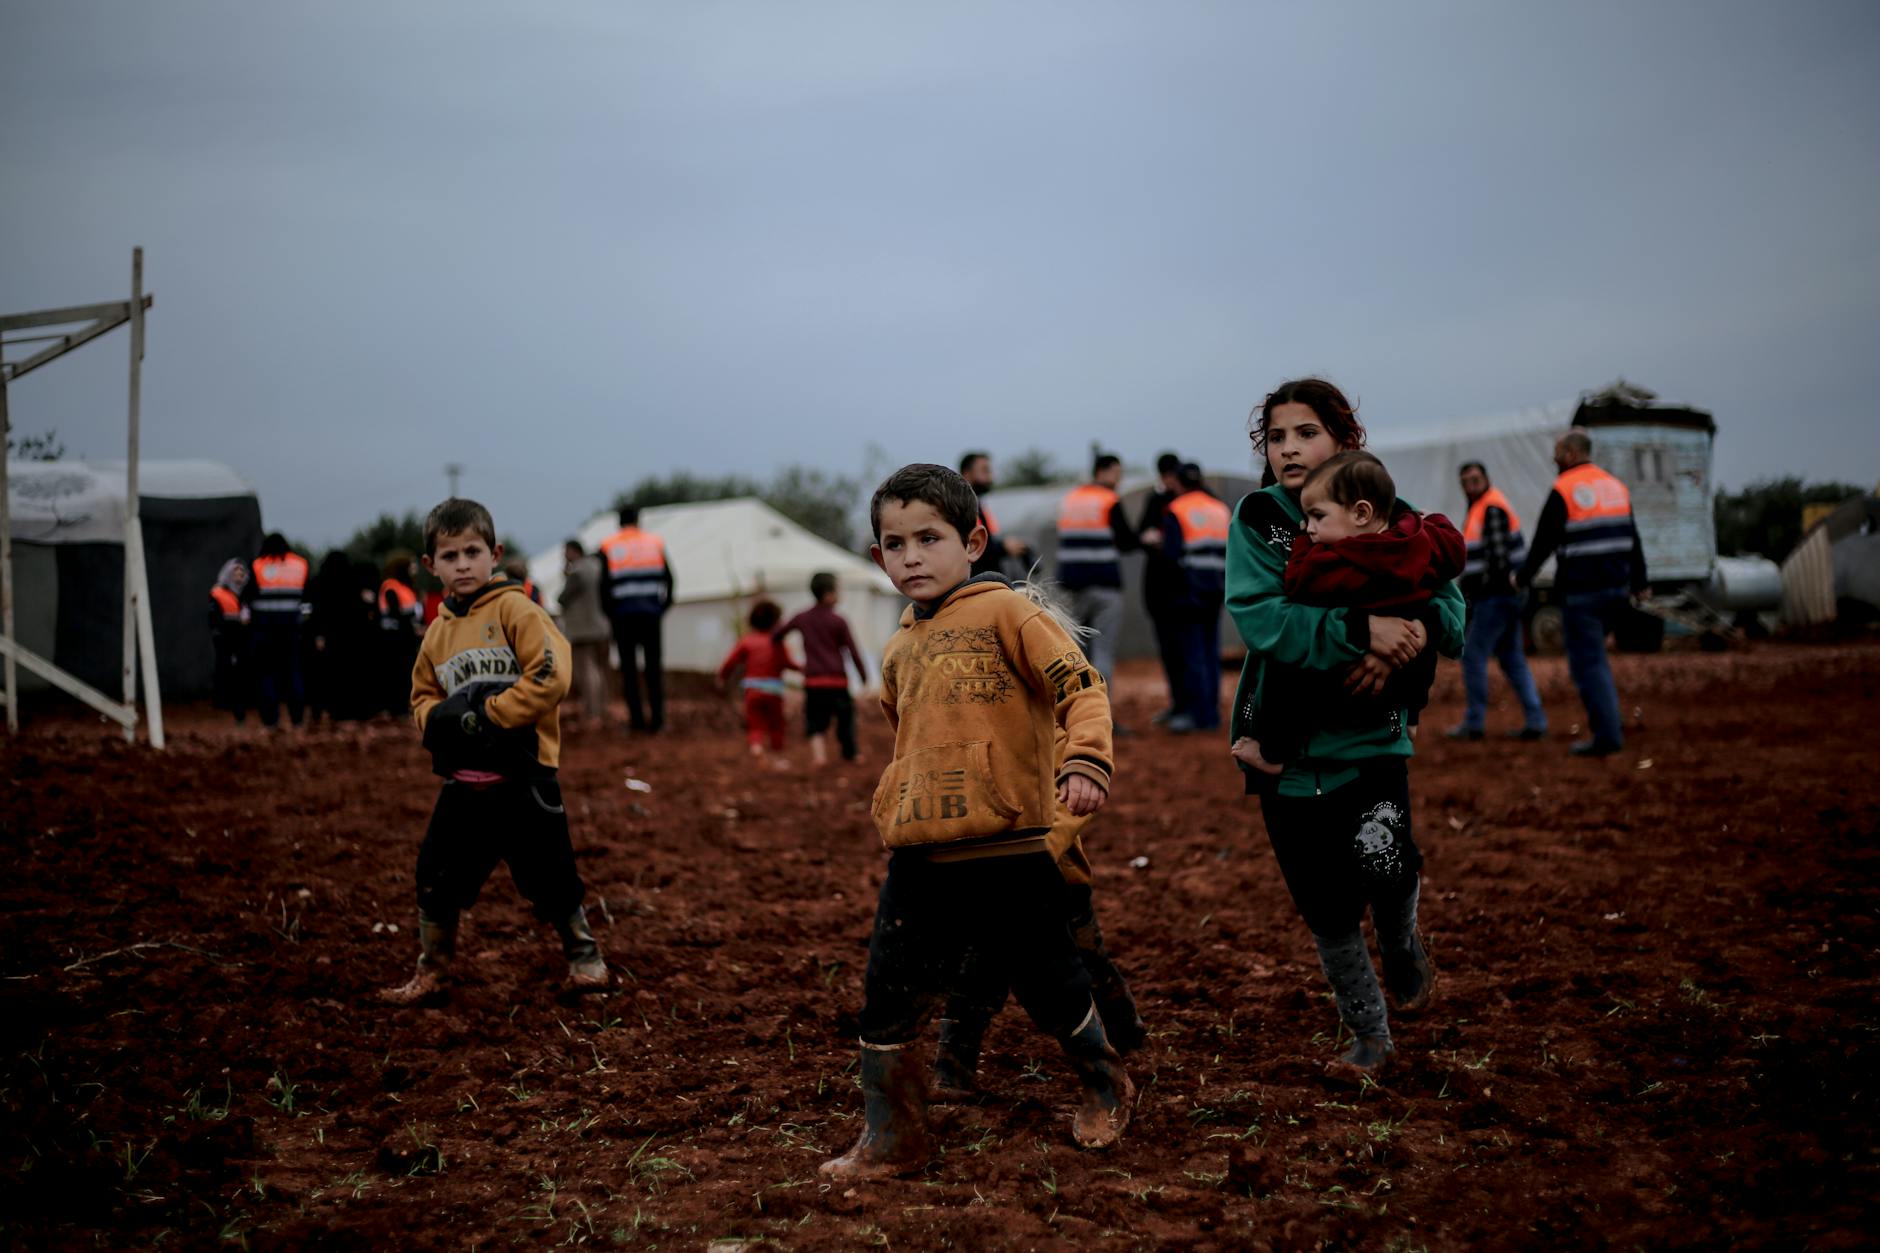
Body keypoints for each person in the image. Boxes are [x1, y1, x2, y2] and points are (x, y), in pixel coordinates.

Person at [822, 464, 1128, 1182]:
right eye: (894, 544)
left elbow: (1082, 687)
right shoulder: (898, 648)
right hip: (921, 854)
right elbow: (910, 733)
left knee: (1052, 984)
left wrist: (1084, 761)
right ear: (877, 558)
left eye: (929, 538)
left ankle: (1105, 1081)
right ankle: (893, 1136)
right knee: (886, 995)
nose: (911, 556)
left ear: (975, 540)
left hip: (1011, 848)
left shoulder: (1009, 614)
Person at [1226, 378, 1464, 1077]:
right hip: (1285, 745)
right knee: (1325, 902)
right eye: (1276, 436)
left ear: (1344, 439)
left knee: (1387, 865)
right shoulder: (1264, 520)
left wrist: (1411, 633)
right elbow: (1263, 617)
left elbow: (1449, 612)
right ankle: (1370, 1032)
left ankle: (1400, 943)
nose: (1290, 448)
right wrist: (1361, 630)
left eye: (1307, 432)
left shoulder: (1393, 513)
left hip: (1373, 737)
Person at [382, 497, 608, 1004]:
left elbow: (553, 674)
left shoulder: (516, 609)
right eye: (449, 556)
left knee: (551, 876)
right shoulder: (437, 634)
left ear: (494, 552)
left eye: (472, 551)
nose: (462, 564)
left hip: (525, 776)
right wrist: (438, 724)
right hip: (464, 782)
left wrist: (489, 715)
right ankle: (433, 969)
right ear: (429, 566)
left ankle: (585, 956)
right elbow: (421, 695)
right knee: (435, 876)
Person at [930, 731, 1147, 1102]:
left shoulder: (1051, 724)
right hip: (984, 878)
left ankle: (1129, 1039)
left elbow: (1069, 809)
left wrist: (1031, 857)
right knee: (975, 973)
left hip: (1055, 881)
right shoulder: (969, 723)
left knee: (1087, 963)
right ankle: (952, 1071)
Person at [1232, 451, 1465, 777]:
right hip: (1405, 664)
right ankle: (1410, 718)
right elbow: (1454, 549)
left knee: (1283, 675)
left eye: (1317, 517)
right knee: (1421, 651)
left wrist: (1301, 545)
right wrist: (1432, 521)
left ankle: (1273, 750)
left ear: (1360, 513)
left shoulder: (1338, 559)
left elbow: (1301, 584)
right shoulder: (1416, 539)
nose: (1309, 527)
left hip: (1350, 673)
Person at [1516, 428, 1648, 757]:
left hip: (1583, 593)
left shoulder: (1565, 489)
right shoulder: (1616, 487)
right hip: (1616, 591)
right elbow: (1634, 537)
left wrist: (1522, 577)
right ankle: (1608, 727)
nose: (1554, 458)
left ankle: (1607, 736)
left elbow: (1544, 541)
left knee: (1589, 665)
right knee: (1596, 660)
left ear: (1572, 454)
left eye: (1558, 452)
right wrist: (1641, 581)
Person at [1446, 461, 1547, 742]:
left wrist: (1478, 591)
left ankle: (1474, 722)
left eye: (1476, 478)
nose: (1472, 484)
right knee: (1512, 657)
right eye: (1467, 480)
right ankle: (1536, 718)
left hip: (1497, 597)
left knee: (1474, 655)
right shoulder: (1487, 506)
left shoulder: (1490, 508)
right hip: (1505, 597)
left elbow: (1498, 562)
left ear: (1486, 478)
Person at [1054, 453, 1139, 696]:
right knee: (1103, 652)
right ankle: (1101, 712)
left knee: (1074, 652)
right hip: (1104, 585)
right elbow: (1126, 541)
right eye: (1117, 474)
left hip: (1071, 587)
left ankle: (1074, 708)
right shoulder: (1109, 500)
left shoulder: (1070, 499)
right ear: (1103, 472)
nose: (1119, 480)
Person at [1159, 463, 1231, 733]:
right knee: (1211, 652)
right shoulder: (1219, 508)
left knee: (1192, 652)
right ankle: (1211, 714)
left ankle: (1198, 715)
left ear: (1178, 482)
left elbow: (1171, 556)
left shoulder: (1177, 509)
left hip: (1189, 590)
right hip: (1217, 587)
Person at [774, 572, 869, 767]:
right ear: (828, 594)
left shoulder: (802, 617)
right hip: (837, 681)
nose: (839, 594)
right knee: (845, 719)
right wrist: (863, 676)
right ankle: (850, 754)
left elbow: (777, 635)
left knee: (815, 720)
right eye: (837, 590)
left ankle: (819, 756)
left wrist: (785, 658)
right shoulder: (838, 620)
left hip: (814, 681)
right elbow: (853, 651)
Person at [597, 505, 675, 734]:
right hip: (651, 615)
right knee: (653, 669)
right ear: (638, 520)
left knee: (629, 671)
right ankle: (659, 721)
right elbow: (670, 579)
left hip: (623, 618)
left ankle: (637, 722)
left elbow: (603, 586)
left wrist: (610, 614)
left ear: (619, 522)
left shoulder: (609, 546)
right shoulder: (655, 543)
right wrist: (662, 607)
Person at [1136, 452, 1188, 723]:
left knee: (1188, 650)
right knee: (1169, 651)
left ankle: (1194, 707)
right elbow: (1140, 533)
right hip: (1159, 588)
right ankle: (1178, 704)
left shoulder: (1188, 499)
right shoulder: (1155, 500)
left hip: (1184, 587)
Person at [717, 599, 798, 770]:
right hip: (773, 691)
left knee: (755, 724)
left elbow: (730, 662)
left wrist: (722, 676)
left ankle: (756, 747)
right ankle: (776, 757)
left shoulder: (747, 641)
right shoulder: (777, 642)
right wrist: (804, 669)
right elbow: (788, 662)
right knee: (777, 725)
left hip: (752, 690)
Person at [246, 533, 309, 730]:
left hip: (264, 630)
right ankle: (297, 719)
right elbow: (307, 602)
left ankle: (271, 720)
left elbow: (247, 600)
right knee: (293, 672)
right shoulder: (300, 565)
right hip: (291, 629)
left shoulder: (257, 566)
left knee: (266, 675)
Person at [557, 540, 613, 727]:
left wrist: (565, 573)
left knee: (587, 670)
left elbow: (562, 598)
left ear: (573, 551)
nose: (564, 555)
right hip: (602, 626)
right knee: (601, 669)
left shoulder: (577, 572)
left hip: (583, 629)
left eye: (566, 551)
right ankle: (603, 708)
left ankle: (592, 711)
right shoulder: (597, 566)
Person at [960, 451, 1030, 578]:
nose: (990, 477)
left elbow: (986, 540)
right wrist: (1004, 548)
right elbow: (969, 546)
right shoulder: (962, 506)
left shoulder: (977, 503)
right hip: (976, 581)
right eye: (985, 471)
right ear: (967, 474)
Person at [377, 551, 424, 718]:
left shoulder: (407, 587)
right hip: (394, 637)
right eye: (412, 565)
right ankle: (396, 708)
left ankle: (403, 705)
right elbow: (396, 613)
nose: (415, 568)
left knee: (407, 672)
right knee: (397, 672)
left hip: (406, 636)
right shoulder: (391, 586)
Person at [207, 559, 250, 726]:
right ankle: (224, 702)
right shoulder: (218, 593)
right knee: (225, 668)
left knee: (241, 671)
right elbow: (214, 618)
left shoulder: (245, 593)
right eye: (236, 573)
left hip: (241, 636)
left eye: (242, 573)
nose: (239, 576)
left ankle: (240, 706)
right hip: (226, 636)